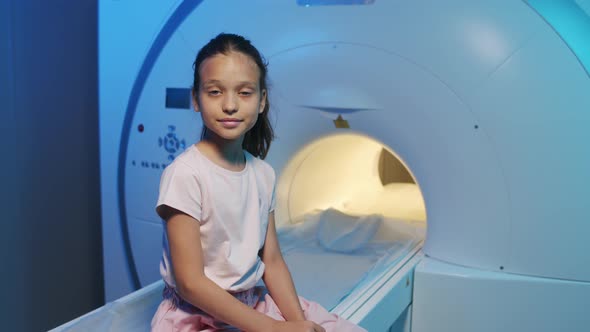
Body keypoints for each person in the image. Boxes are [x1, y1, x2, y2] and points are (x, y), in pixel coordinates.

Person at [150, 33, 366, 332]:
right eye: (214, 92)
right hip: (196, 316)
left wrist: (297, 324)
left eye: (245, 92)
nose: (229, 105)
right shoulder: (186, 174)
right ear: (195, 99)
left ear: (262, 100)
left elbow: (272, 262)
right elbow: (190, 283)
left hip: (253, 304)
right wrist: (274, 329)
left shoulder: (262, 174)